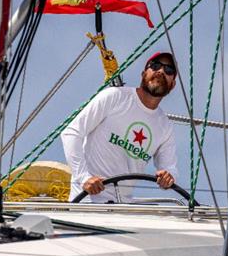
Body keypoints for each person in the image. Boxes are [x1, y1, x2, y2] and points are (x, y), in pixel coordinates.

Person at [61, 52, 178, 202]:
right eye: (155, 66)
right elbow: (71, 133)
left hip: (121, 208)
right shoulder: (114, 96)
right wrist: (84, 177)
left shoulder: (165, 126)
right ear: (143, 73)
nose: (161, 71)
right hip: (87, 202)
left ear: (173, 84)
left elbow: (170, 168)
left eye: (169, 70)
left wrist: (168, 177)